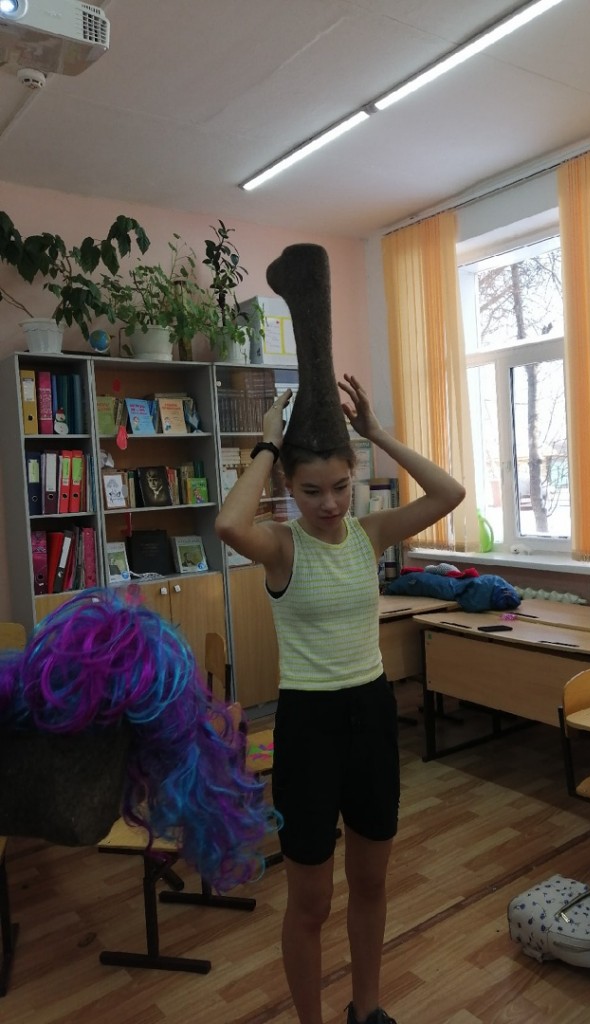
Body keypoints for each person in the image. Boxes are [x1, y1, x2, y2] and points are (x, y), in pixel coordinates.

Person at [215, 374, 465, 1024]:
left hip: (371, 717)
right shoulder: (281, 546)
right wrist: (268, 445)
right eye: (311, 491)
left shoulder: (369, 534)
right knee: (311, 902)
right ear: (286, 487)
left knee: (372, 881)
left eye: (341, 486)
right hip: (309, 728)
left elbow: (450, 493)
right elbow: (228, 523)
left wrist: (376, 433)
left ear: (354, 479)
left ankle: (367, 1008)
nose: (329, 503)